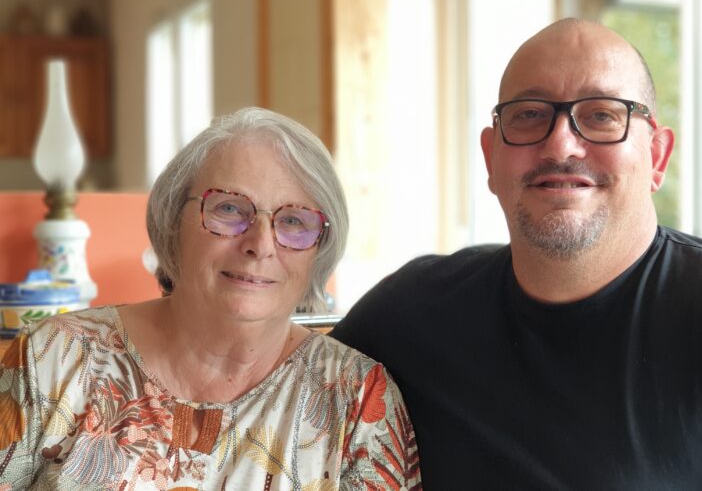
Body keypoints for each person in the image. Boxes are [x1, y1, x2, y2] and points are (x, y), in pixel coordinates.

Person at [330, 19, 702, 489]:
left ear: (657, 156)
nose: (561, 144)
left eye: (601, 115)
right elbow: (274, 395)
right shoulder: (413, 313)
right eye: (528, 115)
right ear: (492, 159)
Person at [0, 108, 421, 490]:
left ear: (319, 249)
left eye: (293, 221)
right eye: (230, 209)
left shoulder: (356, 400)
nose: (260, 244)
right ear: (172, 222)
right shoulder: (52, 359)